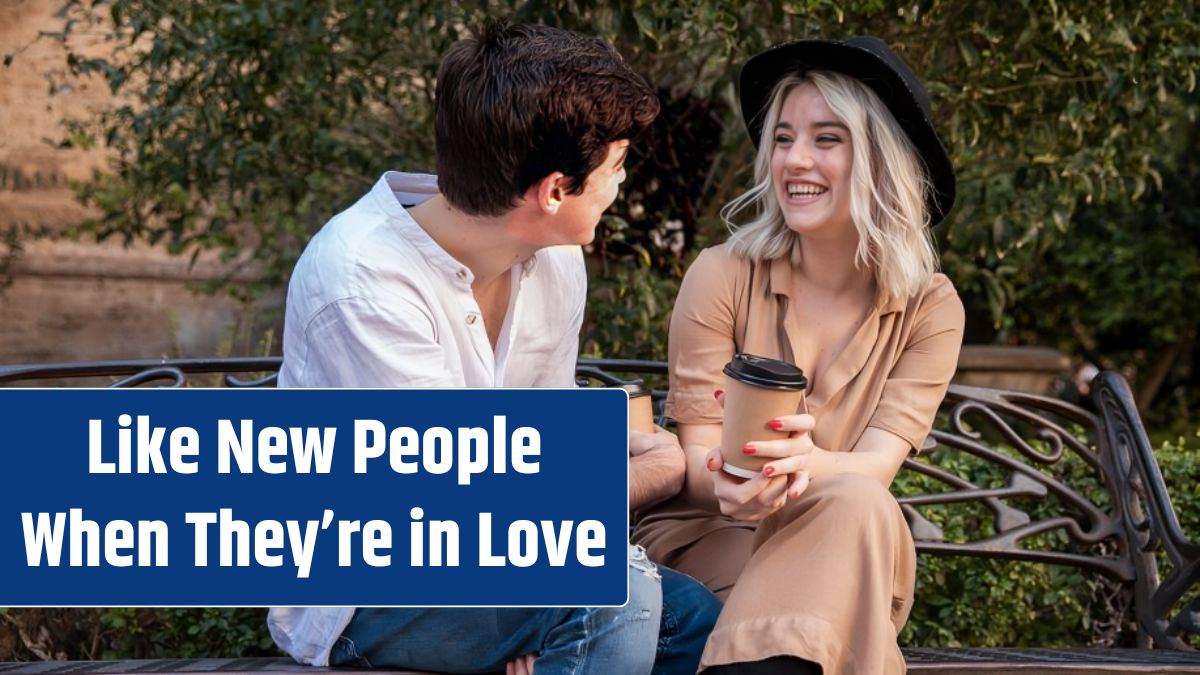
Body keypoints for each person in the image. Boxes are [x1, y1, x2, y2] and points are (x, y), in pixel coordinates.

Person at [267, 21, 718, 675]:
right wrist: (656, 468)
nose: (621, 186)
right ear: (556, 189)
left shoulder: (556, 261)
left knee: (692, 621)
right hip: (367, 589)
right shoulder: (361, 281)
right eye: (616, 167)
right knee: (610, 597)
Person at [632, 37, 965, 674]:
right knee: (846, 544)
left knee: (857, 503)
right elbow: (697, 463)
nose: (795, 160)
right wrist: (735, 483)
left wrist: (807, 466)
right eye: (783, 138)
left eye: (827, 139)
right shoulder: (723, 274)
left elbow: (875, 470)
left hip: (841, 542)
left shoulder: (930, 307)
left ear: (881, 157)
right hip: (710, 542)